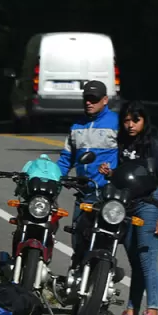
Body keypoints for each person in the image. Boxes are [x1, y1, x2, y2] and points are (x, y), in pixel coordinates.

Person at [100, 100, 158, 315]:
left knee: (147, 258)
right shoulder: (125, 143)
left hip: (150, 205)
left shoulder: (155, 144)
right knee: (135, 261)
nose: (130, 125)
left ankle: (153, 313)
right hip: (128, 205)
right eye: (127, 120)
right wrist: (111, 174)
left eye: (135, 120)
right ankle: (131, 312)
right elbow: (127, 176)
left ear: (144, 120)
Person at [53, 80, 119, 270]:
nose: (89, 102)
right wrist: (56, 178)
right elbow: (66, 157)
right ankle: (77, 275)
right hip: (83, 192)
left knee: (104, 240)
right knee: (79, 238)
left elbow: (126, 157)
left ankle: (103, 277)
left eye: (94, 99)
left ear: (105, 100)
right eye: (86, 99)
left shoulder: (116, 123)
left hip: (107, 192)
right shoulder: (76, 125)